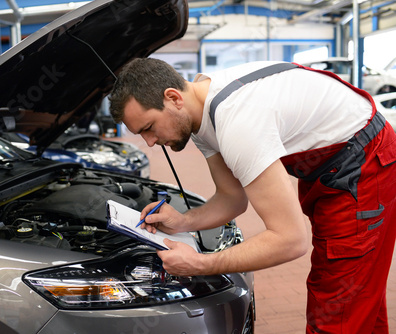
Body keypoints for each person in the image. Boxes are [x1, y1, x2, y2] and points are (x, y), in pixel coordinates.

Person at [108, 57, 396, 334]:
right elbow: (231, 199)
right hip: (328, 166)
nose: (149, 142)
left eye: (148, 128)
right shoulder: (199, 114)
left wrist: (201, 264)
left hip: (363, 168)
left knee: (337, 305)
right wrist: (182, 222)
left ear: (173, 98)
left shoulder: (237, 121)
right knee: (359, 293)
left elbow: (291, 240)